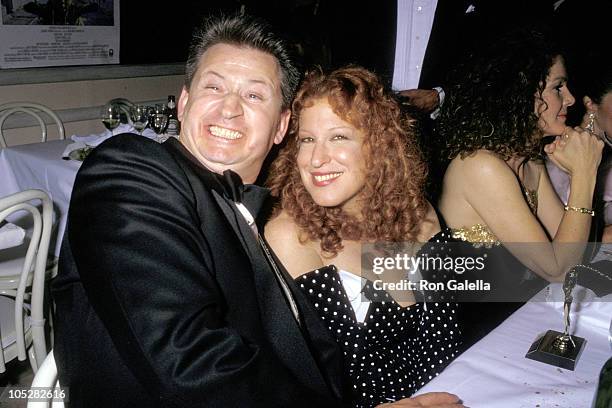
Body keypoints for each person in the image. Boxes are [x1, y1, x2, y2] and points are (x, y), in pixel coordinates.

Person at [52, 14, 348, 407]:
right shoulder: (132, 168)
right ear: (184, 102)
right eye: (213, 87)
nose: (229, 109)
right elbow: (186, 358)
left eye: (254, 95)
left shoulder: (264, 212)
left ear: (280, 126)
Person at [265, 66, 464, 408]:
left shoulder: (420, 215)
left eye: (338, 137)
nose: (315, 159)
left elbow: (445, 336)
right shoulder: (291, 237)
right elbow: (304, 383)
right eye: (307, 139)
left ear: (380, 146)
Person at [435, 30, 604, 346]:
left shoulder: (528, 160)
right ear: (520, 93)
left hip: (512, 322)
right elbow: (557, 268)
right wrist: (584, 173)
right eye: (557, 87)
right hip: (465, 338)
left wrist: (585, 173)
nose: (569, 98)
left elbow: (575, 255)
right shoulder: (479, 165)